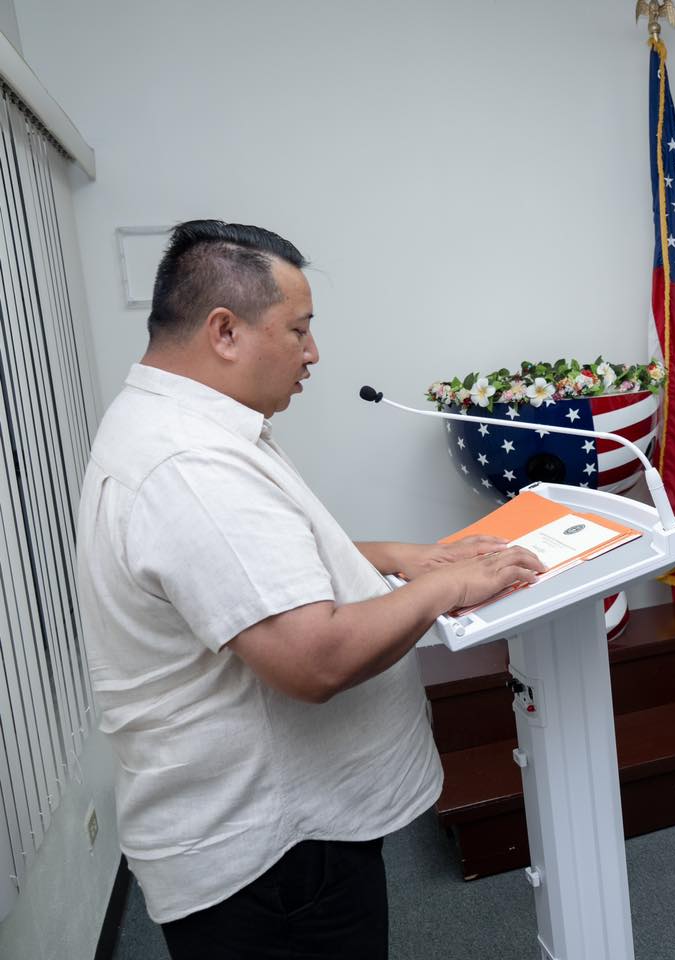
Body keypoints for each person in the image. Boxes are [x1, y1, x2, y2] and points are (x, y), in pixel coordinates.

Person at [75, 220, 545, 960]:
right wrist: (447, 585)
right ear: (224, 331)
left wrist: (396, 556)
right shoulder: (190, 467)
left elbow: (246, 573)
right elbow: (312, 658)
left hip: (277, 838)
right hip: (275, 855)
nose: (313, 353)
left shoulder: (170, 423)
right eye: (299, 329)